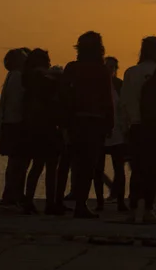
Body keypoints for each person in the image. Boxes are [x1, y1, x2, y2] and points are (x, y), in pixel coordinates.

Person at [119, 36, 156, 224]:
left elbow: (124, 104)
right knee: (153, 168)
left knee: (137, 169)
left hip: (136, 126)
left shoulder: (130, 72)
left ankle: (134, 209)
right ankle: (148, 211)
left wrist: (124, 127)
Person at [56, 31, 114, 218]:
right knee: (87, 166)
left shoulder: (72, 68)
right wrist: (109, 124)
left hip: (75, 121)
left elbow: (63, 97)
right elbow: (107, 100)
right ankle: (80, 204)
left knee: (67, 163)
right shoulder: (102, 70)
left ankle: (58, 202)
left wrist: (63, 123)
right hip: (95, 122)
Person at [21, 49, 63, 215]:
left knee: (36, 166)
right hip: (49, 126)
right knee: (51, 167)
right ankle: (50, 202)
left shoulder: (27, 79)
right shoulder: (46, 80)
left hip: (34, 127)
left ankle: (28, 200)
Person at [93, 56, 129, 212]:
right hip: (100, 132)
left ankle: (121, 201)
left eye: (112, 67)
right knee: (97, 168)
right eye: (107, 66)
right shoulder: (96, 86)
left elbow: (125, 107)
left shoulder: (120, 85)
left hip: (118, 132)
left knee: (119, 168)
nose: (110, 70)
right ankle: (100, 201)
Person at [0, 48, 30, 212]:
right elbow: (21, 102)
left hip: (9, 124)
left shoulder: (10, 76)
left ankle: (11, 196)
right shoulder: (18, 77)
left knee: (14, 163)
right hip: (17, 124)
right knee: (18, 164)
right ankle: (12, 197)